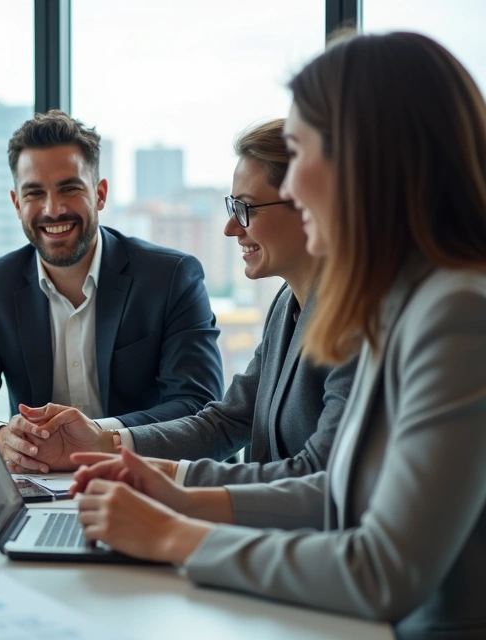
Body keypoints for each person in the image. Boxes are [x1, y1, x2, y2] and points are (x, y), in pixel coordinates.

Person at [71, 32, 486, 639]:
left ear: (364, 159)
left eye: (301, 151)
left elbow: (382, 571)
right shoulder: (399, 302)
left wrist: (173, 534)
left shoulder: (455, 313)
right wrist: (174, 490)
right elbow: (337, 494)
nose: (290, 188)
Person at [6, 120, 358, 486]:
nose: (231, 228)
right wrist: (105, 442)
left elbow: (319, 480)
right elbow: (226, 422)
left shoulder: (356, 319)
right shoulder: (286, 305)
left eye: (246, 208)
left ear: (308, 207)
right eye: (232, 206)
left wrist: (164, 488)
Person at [0, 110, 224, 464]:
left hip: (146, 481)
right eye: (34, 193)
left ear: (100, 195)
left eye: (69, 189)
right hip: (39, 487)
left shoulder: (171, 277)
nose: (52, 209)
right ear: (16, 204)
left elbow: (199, 404)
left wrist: (102, 438)